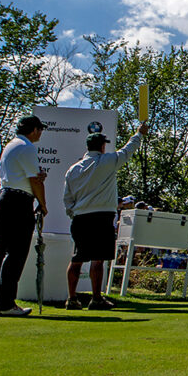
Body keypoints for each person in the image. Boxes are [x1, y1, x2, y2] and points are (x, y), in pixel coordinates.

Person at [62, 123, 147, 310]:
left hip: (80, 218)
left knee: (77, 258)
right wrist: (139, 134)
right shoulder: (107, 161)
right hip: (101, 217)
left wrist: (73, 213)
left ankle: (72, 298)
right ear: (102, 146)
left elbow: (67, 198)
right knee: (97, 259)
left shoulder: (73, 169)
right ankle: (96, 298)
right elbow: (127, 151)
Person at [0, 115, 48, 318]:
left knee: (3, 252)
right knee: (16, 253)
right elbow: (35, 181)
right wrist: (43, 205)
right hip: (18, 201)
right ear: (35, 129)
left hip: (5, 197)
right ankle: (5, 303)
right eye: (40, 130)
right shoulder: (27, 147)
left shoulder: (11, 145)